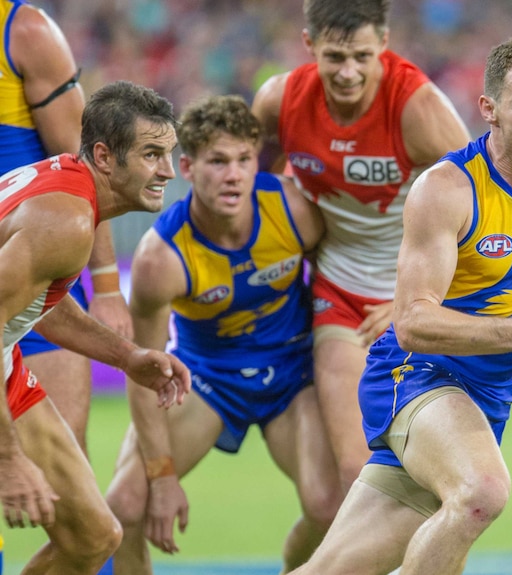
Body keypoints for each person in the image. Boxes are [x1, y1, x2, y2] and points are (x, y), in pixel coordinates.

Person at [288, 33, 512, 575]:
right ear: (490, 110)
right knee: (482, 492)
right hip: (415, 377)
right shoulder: (447, 189)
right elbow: (412, 322)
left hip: (484, 403)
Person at [102, 95, 340, 575]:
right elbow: (144, 368)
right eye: (217, 162)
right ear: (187, 167)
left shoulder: (294, 210)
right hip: (208, 380)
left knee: (332, 510)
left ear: (257, 161)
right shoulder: (159, 258)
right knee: (125, 508)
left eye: (243, 160)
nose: (233, 175)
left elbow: (342, 276)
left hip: (294, 376)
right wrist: (162, 477)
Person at [251, 0, 472, 495]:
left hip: (422, 302)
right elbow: (250, 187)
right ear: (308, 45)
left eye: (362, 57)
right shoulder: (277, 102)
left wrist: (412, 304)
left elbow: (481, 216)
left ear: (385, 43)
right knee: (356, 477)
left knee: (440, 484)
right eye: (334, 57)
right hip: (339, 296)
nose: (348, 73)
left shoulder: (421, 109)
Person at [0, 80, 191, 574]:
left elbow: (37, 302)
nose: (167, 171)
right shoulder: (66, 223)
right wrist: (7, 459)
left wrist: (127, 357)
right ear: (105, 156)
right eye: (152, 155)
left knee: (94, 537)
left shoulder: (68, 197)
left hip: (6, 360)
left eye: (168, 154)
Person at [0, 0, 133, 455]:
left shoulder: (23, 32)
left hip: (32, 280)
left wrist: (109, 286)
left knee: (64, 478)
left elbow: (86, 169)